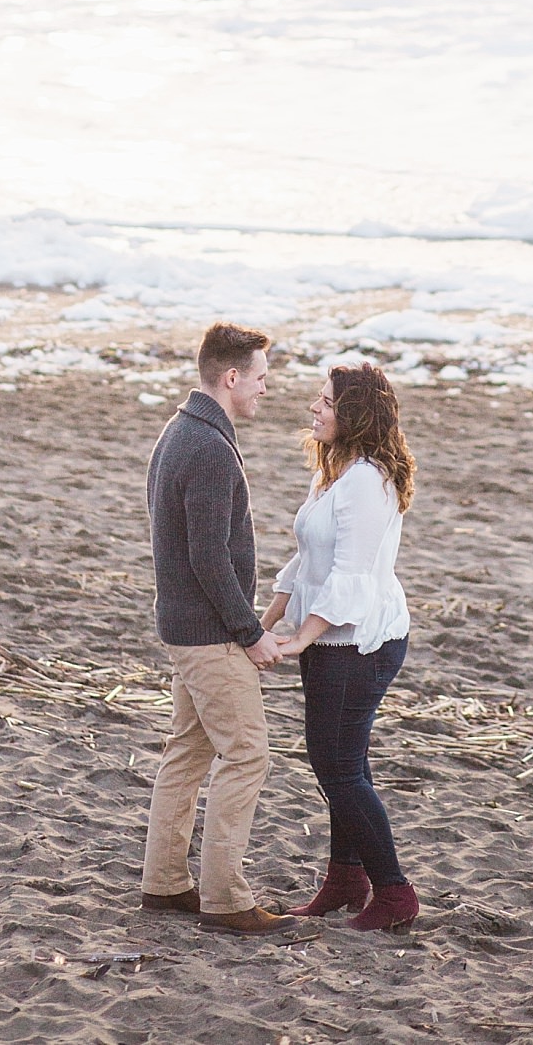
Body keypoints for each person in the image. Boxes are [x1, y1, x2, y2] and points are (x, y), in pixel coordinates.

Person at [141, 321, 290, 936]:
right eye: (259, 378)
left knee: (190, 750)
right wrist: (251, 631)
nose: (263, 390)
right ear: (231, 378)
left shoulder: (182, 430)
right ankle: (225, 898)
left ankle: (166, 883)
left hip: (185, 625)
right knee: (248, 754)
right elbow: (208, 556)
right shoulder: (204, 445)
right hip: (207, 633)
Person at [264, 360, 420, 930]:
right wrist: (270, 617)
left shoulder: (366, 482)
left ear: (353, 413)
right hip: (333, 639)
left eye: (325, 402)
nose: (314, 409)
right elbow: (309, 560)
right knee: (343, 764)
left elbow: (350, 575)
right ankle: (346, 878)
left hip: (358, 643)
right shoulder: (336, 471)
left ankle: (395, 894)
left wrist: (300, 639)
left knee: (338, 768)